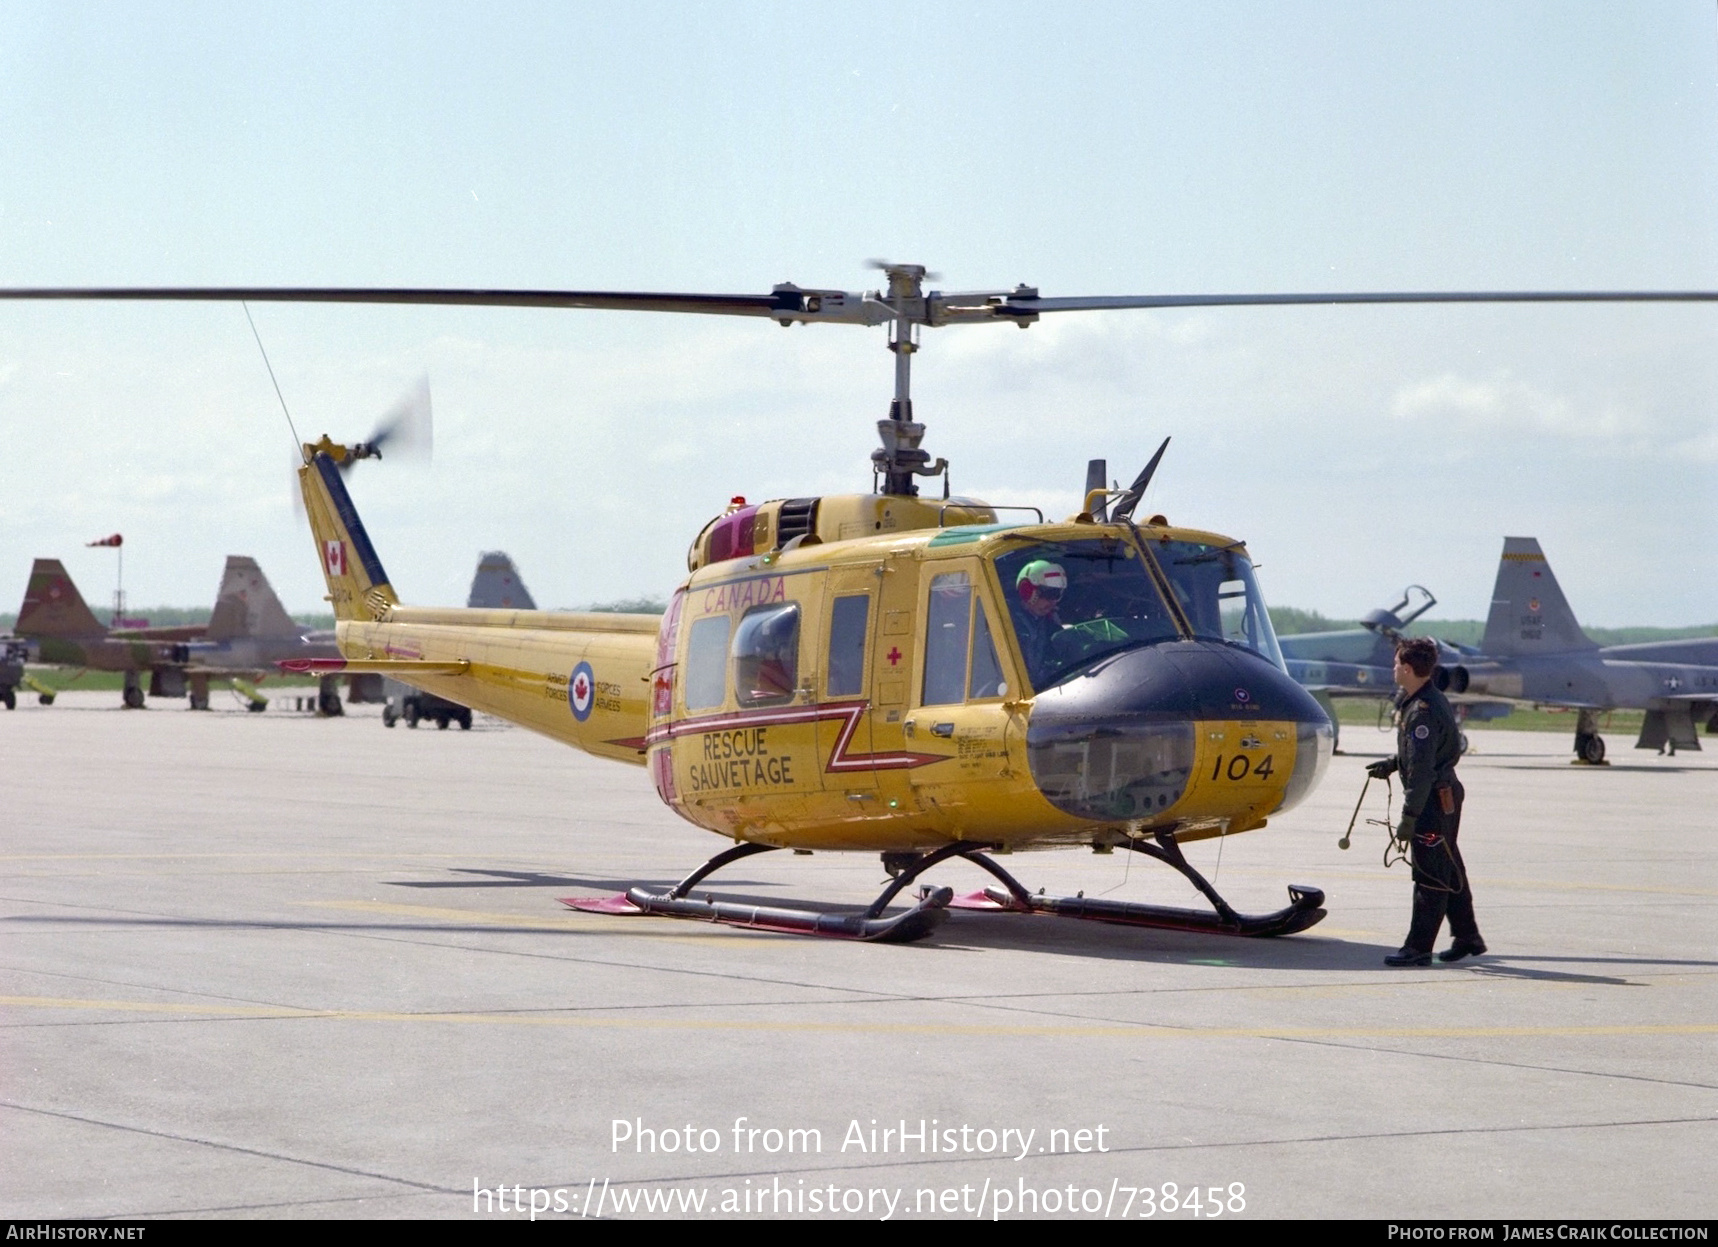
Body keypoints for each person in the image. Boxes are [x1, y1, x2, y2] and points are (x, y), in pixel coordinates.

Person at [1365, 636, 1486, 966]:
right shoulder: (1426, 699)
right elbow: (1426, 756)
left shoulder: (1421, 711)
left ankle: (1418, 948)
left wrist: (1408, 818)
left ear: (1406, 668)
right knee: (1447, 866)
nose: (1393, 669)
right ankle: (1467, 936)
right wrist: (1393, 763)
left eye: (1395, 664)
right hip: (1441, 796)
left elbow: (1421, 773)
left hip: (1433, 801)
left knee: (1429, 876)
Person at [1011, 559, 1067, 688]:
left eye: (1058, 595)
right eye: (1049, 594)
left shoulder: (1049, 623)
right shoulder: (1006, 622)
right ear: (1027, 590)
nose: (1053, 602)